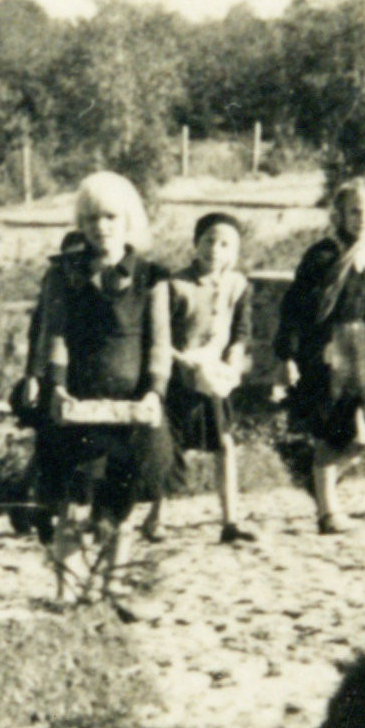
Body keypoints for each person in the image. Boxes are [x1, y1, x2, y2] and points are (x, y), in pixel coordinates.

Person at [15, 172, 174, 603]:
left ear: (127, 220)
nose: (101, 227)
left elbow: (159, 344)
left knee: (119, 504)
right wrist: (58, 387)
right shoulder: (63, 274)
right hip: (78, 401)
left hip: (130, 404)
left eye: (110, 217)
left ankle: (112, 587)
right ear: (80, 225)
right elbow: (56, 335)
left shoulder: (152, 277)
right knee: (71, 502)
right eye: (90, 219)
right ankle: (68, 589)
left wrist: (154, 393)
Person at [275, 179, 365, 535]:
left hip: (358, 352)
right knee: (332, 431)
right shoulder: (322, 256)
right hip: (323, 349)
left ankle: (318, 483)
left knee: (362, 436)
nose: (362, 218)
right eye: (354, 210)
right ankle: (328, 512)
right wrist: (287, 356)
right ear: (338, 214)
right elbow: (293, 309)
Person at [143, 212, 259, 545]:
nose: (215, 250)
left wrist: (232, 365)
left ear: (234, 250)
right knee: (170, 447)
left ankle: (230, 520)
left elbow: (241, 333)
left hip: (213, 378)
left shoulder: (238, 286)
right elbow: (160, 338)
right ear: (195, 244)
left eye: (225, 244)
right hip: (177, 377)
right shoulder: (173, 285)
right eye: (209, 240)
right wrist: (185, 365)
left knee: (224, 444)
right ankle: (156, 517)